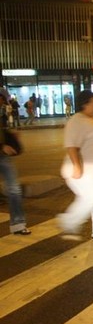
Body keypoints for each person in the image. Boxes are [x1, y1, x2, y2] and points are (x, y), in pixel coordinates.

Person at [57, 90, 93, 241]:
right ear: (85, 104)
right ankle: (68, 222)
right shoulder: (77, 120)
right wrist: (77, 166)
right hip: (85, 171)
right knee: (92, 197)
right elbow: (71, 145)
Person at [0, 89, 29, 235]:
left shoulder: (2, 113)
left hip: (3, 157)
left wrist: (10, 136)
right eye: (2, 100)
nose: (2, 104)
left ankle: (18, 224)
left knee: (14, 189)